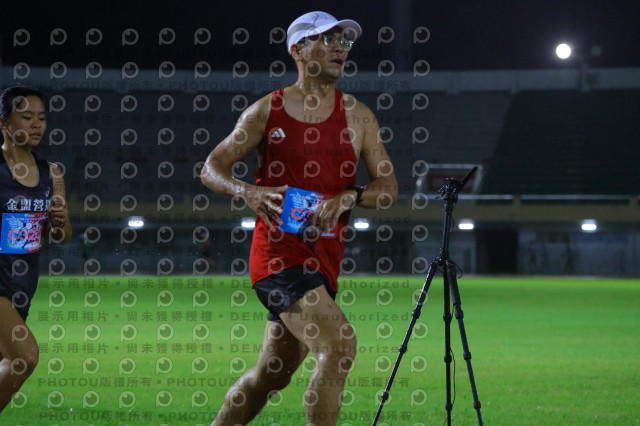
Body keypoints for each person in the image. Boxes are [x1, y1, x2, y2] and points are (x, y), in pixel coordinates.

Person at [201, 11, 398, 425]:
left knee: (269, 377)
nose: (340, 48)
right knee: (339, 346)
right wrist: (247, 191)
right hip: (276, 256)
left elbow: (388, 188)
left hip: (323, 261)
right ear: (298, 49)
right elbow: (211, 167)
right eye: (328, 39)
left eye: (344, 41)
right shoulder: (266, 111)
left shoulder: (359, 116)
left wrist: (350, 196)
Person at [0, 86, 72, 413]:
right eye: (26, 117)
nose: (36, 125)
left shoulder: (51, 173)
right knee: (25, 357)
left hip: (22, 284)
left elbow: (63, 236)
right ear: (3, 123)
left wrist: (60, 221)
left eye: (41, 118)